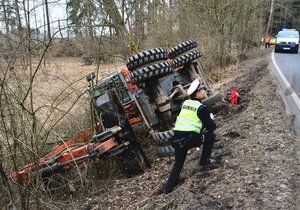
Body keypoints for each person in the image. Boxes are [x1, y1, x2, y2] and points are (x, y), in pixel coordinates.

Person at [162, 79, 217, 194]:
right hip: (189, 139)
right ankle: (204, 160)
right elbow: (212, 127)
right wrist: (210, 119)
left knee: (178, 163)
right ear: (197, 94)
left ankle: (167, 188)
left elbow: (190, 122)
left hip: (177, 139)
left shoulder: (185, 104)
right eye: (201, 89)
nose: (204, 90)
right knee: (211, 136)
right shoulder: (201, 108)